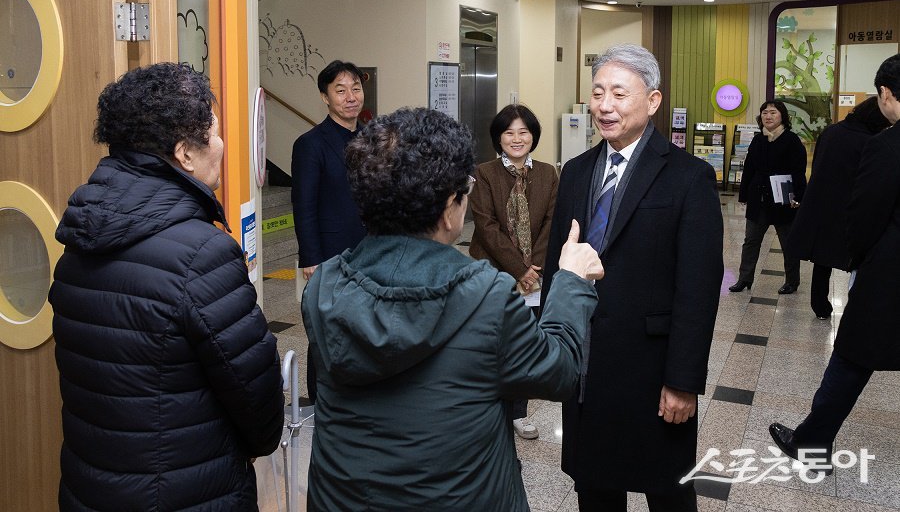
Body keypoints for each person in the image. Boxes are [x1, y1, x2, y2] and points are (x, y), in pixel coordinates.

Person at [301, 107, 604, 511]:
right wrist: (571, 281)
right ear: (449, 209)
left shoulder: (324, 286)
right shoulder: (487, 297)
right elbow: (559, 371)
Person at [49, 63, 285, 511]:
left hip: (90, 488)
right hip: (187, 493)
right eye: (214, 133)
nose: (222, 145)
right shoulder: (202, 255)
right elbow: (257, 400)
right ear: (185, 154)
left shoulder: (79, 237)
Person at [542, 44, 723, 511]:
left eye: (619, 94)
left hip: (652, 371)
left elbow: (698, 290)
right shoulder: (576, 172)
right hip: (586, 369)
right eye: (597, 92)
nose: (605, 105)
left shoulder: (689, 177)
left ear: (653, 100)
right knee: (595, 488)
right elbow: (558, 268)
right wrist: (550, 352)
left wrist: (683, 380)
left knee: (667, 492)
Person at [770, 53, 900, 474]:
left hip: (888, 278)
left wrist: (859, 259)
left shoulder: (887, 147)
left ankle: (811, 443)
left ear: (885, 93)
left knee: (851, 358)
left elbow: (863, 219)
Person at [469, 103, 559, 440]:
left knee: (525, 344)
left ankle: (518, 412)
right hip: (495, 273)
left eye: (523, 132)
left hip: (536, 275)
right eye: (509, 133)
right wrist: (520, 269)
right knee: (493, 344)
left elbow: (552, 222)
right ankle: (489, 410)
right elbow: (486, 226)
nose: (517, 139)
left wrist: (533, 269)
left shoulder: (548, 173)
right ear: (499, 137)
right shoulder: (484, 173)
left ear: (533, 136)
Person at [291, 59, 368, 402]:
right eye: (340, 90)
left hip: (372, 250)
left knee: (366, 326)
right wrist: (311, 258)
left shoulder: (372, 138)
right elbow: (303, 204)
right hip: (331, 254)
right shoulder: (310, 144)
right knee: (327, 332)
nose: (350, 97)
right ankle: (322, 402)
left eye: (356, 89)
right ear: (325, 97)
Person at [785, 97, 889, 318]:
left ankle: (820, 305)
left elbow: (818, 166)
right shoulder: (870, 140)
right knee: (857, 258)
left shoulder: (831, 131)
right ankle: (858, 309)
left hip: (821, 203)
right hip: (850, 206)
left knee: (822, 259)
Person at [728, 100, 807, 294]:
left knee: (788, 244)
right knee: (751, 242)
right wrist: (744, 194)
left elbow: (798, 172)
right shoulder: (758, 140)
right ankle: (744, 279)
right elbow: (749, 168)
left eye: (773, 112)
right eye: (764, 112)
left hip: (783, 200)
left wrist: (798, 197)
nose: (768, 116)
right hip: (759, 199)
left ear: (782, 116)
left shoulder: (792, 140)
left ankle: (792, 281)